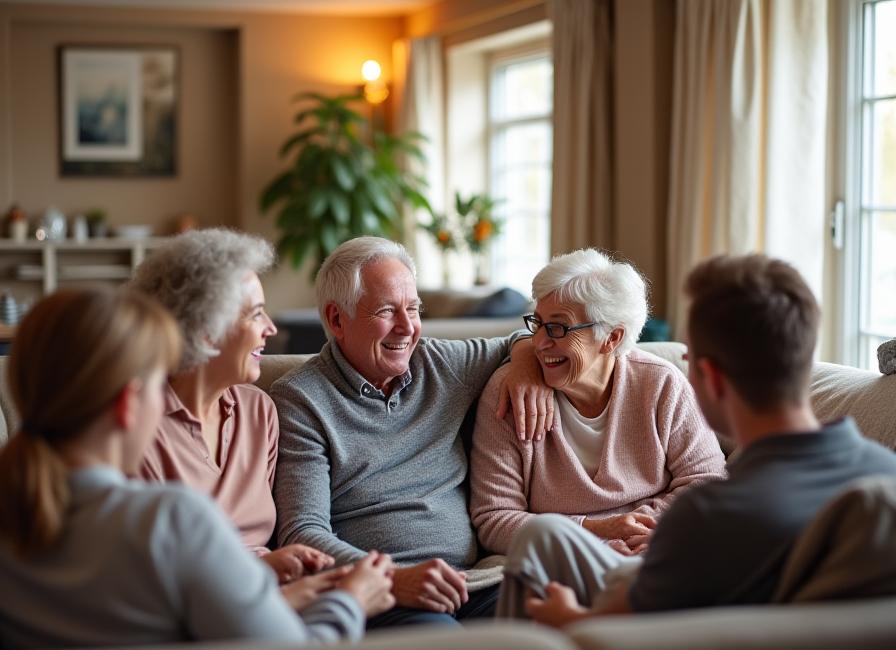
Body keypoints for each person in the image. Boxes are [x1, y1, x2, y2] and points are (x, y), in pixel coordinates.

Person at [496, 254, 896, 625]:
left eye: (689, 360)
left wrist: (565, 616)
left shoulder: (709, 516)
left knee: (541, 540)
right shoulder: (886, 476)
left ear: (712, 378)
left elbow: (615, 630)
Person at [0, 287, 394, 650]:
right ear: (127, 404)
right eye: (160, 385)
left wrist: (264, 596)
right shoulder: (172, 521)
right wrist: (353, 600)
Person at [271, 236, 552, 629]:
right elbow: (303, 532)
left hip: (475, 582)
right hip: (385, 594)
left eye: (414, 309)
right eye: (387, 311)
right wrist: (392, 579)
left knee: (544, 621)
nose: (408, 328)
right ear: (337, 319)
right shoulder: (302, 400)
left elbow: (519, 338)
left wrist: (522, 364)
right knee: (442, 645)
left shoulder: (438, 363)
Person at [470, 249, 726, 557]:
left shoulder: (660, 384)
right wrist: (595, 532)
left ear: (612, 338)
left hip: (654, 551)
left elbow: (707, 481)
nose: (539, 342)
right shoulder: (509, 394)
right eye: (537, 324)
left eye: (558, 327)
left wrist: (649, 529)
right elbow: (494, 520)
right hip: (560, 561)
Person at [132, 229, 331, 585]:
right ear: (206, 330)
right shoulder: (138, 425)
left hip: (270, 597)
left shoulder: (259, 413)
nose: (270, 327)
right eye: (255, 315)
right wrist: (260, 572)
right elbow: (151, 569)